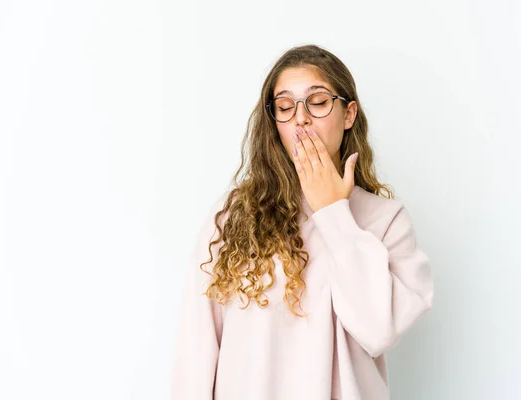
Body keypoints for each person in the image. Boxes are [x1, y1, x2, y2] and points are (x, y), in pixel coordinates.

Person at [170, 44, 434, 400]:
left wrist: (332, 213)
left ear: (349, 113)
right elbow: (196, 350)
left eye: (318, 101)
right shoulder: (234, 216)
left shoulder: (386, 221)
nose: (300, 117)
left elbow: (378, 330)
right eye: (284, 106)